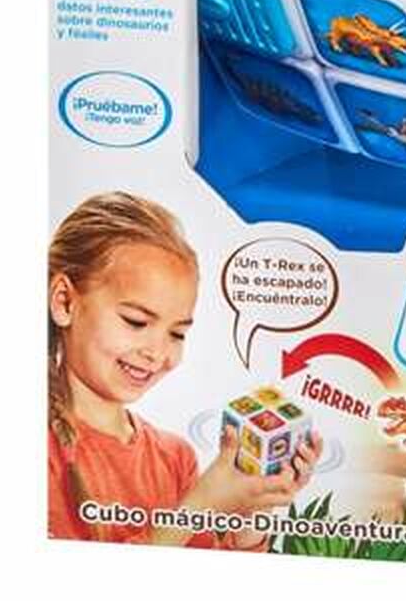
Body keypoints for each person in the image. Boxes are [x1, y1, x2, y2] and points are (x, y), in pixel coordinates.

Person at [48, 191, 322, 546]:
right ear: (64, 302)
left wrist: (256, 506)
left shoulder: (174, 456)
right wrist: (199, 504)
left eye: (177, 333)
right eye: (136, 321)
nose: (157, 352)